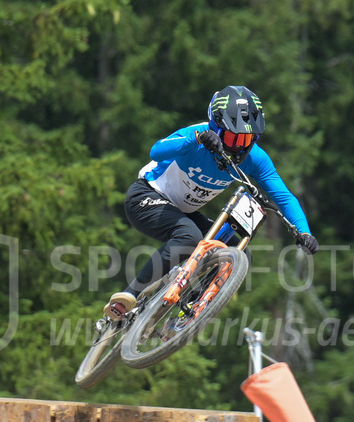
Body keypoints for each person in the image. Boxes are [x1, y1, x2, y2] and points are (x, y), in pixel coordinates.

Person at [103, 85, 319, 320]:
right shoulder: (197, 135)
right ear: (215, 126)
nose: (238, 145)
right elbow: (156, 151)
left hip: (183, 212)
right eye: (231, 136)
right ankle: (127, 297)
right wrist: (196, 139)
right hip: (146, 197)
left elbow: (284, 196)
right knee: (189, 238)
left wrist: (303, 231)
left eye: (247, 138)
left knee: (239, 254)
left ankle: (189, 307)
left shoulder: (255, 158)